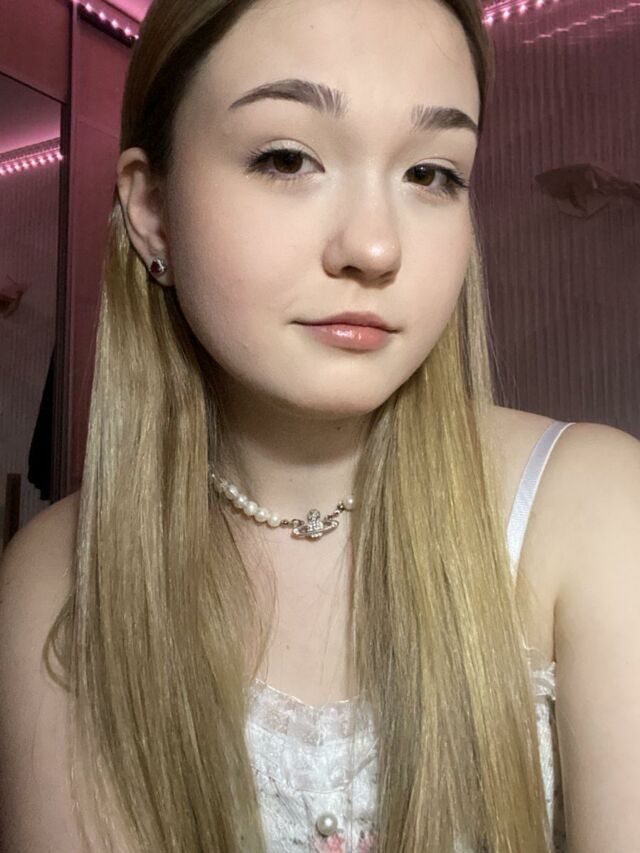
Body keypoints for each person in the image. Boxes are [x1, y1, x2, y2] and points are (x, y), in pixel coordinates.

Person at [1, 0, 639, 850]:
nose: (375, 248)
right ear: (152, 211)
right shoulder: (54, 579)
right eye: (287, 158)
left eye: (431, 174)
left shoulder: (596, 512)